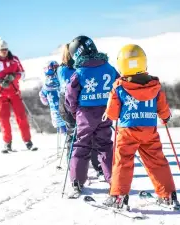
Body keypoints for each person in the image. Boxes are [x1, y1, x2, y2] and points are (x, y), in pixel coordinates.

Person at [102, 44, 180, 209]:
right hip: (149, 130)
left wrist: (109, 115)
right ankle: (168, 196)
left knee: (123, 162)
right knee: (157, 161)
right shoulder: (154, 86)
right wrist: (165, 117)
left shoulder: (119, 86)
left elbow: (113, 113)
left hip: (127, 131)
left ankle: (119, 197)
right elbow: (163, 108)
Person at [65, 35, 119, 197]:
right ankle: (113, 180)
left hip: (85, 115)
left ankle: (77, 181)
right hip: (106, 112)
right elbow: (119, 87)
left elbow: (70, 96)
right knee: (105, 145)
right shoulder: (109, 68)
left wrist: (75, 112)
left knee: (81, 145)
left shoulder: (79, 72)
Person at [57, 44, 104, 179]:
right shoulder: (69, 69)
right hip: (70, 104)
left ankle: (88, 166)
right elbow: (68, 88)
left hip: (73, 104)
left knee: (77, 136)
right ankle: (79, 166)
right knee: (78, 135)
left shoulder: (72, 68)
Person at [0, 37, 35, 153]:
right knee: (3, 119)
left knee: (21, 117)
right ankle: (7, 143)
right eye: (2, 49)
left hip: (15, 92)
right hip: (1, 94)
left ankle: (28, 142)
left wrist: (14, 76)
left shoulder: (15, 59)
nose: (4, 51)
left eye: (6, 49)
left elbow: (22, 74)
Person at [39, 60, 67, 133]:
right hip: (66, 109)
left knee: (61, 131)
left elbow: (43, 97)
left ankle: (65, 140)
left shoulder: (46, 85)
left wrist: (48, 102)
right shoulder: (62, 80)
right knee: (70, 129)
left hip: (56, 113)